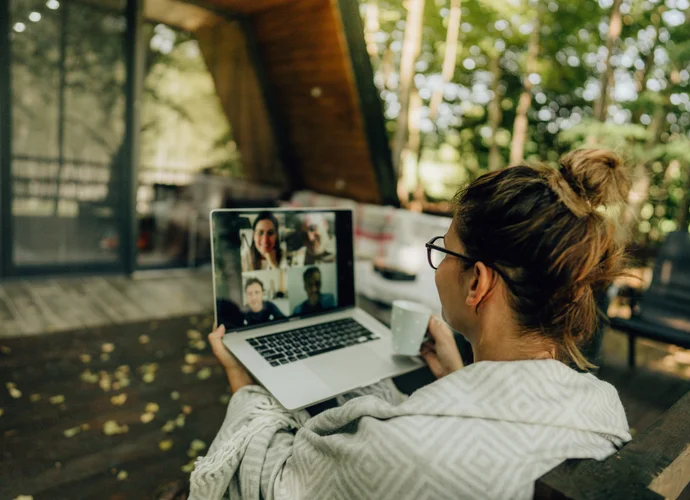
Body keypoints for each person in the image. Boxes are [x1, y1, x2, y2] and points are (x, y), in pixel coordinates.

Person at [192, 149, 632, 500]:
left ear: (477, 281)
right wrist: (461, 378)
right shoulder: (603, 407)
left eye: (445, 251)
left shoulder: (402, 453)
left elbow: (272, 484)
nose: (438, 265)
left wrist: (243, 377)